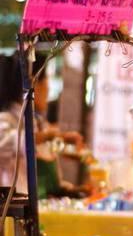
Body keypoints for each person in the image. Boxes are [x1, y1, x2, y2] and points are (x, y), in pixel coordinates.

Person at [0, 52, 84, 198]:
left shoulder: (38, 122)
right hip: (18, 209)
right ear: (33, 85)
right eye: (46, 81)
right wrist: (48, 136)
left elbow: (50, 177)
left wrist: (62, 142)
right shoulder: (7, 119)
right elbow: (13, 144)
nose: (49, 89)